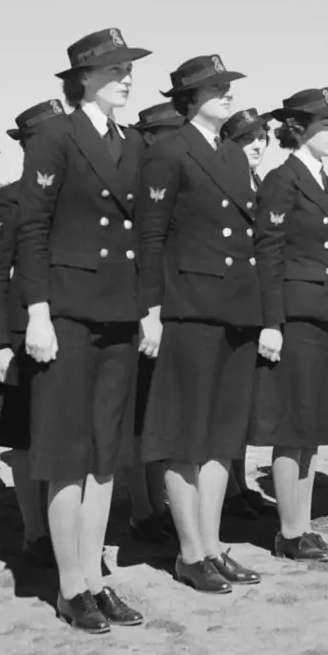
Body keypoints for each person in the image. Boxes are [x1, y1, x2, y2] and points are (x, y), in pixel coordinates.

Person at [17, 28, 150, 634]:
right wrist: (37, 311)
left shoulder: (132, 142)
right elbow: (33, 231)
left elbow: (146, 232)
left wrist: (149, 308)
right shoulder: (54, 136)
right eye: (115, 69)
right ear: (84, 77)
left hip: (120, 311)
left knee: (105, 456)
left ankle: (96, 578)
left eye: (129, 69)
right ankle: (71, 586)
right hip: (67, 312)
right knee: (69, 455)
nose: (126, 77)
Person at [138, 55, 262, 594]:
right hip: (187, 309)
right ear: (190, 97)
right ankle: (190, 553)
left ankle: (211, 545)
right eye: (217, 87)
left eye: (228, 84)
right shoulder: (168, 151)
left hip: (235, 308)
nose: (228, 92)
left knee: (220, 439)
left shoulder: (234, 155)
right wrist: (151, 311)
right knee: (185, 438)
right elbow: (150, 235)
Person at [251, 88, 328, 562]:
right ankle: (289, 533)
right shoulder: (281, 180)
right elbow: (268, 256)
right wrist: (271, 322)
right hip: (295, 320)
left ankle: (303, 526)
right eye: (325, 124)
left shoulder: (327, 182)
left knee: (312, 428)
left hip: (327, 318)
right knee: (292, 427)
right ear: (299, 128)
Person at [0, 100, 67, 567]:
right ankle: (35, 532)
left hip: (69, 329)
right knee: (22, 438)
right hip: (19, 334)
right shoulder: (12, 198)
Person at [123, 103, 184, 545]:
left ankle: (155, 502)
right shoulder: (139, 180)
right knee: (138, 414)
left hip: (173, 307)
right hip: (142, 308)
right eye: (160, 133)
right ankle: (141, 508)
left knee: (158, 415)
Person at [219, 108, 274, 519]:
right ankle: (230, 489)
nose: (258, 145)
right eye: (248, 139)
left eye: (263, 138)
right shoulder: (229, 181)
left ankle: (237, 483)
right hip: (232, 304)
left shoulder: (259, 183)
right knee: (228, 402)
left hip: (255, 304)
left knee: (242, 401)